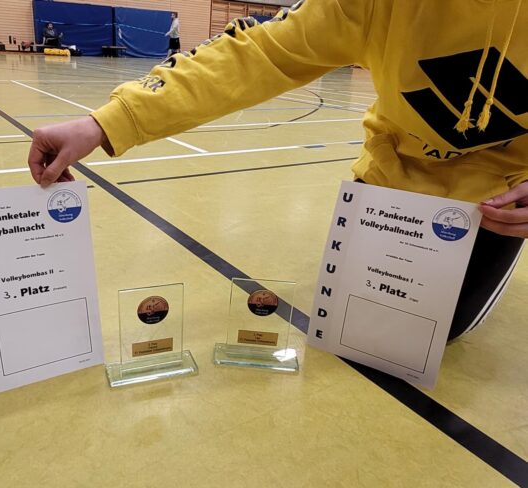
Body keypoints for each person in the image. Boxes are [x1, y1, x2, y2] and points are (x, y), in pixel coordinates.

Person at [27, 0, 527, 341]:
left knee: (437, 338)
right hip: (391, 177)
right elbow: (258, 53)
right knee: (358, 329)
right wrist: (105, 123)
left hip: (498, 199)